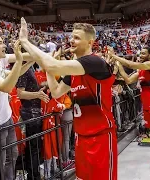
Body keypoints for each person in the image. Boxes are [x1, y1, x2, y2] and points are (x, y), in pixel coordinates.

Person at [19, 18, 118, 180]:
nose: (72, 40)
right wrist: (49, 69)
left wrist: (25, 41)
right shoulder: (75, 70)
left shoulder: (94, 61)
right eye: (71, 37)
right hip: (81, 136)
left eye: (77, 37)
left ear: (90, 42)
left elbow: (52, 65)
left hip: (100, 135)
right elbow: (57, 92)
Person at [109, 47, 150, 180]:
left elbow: (131, 64)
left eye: (144, 53)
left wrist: (115, 57)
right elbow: (128, 80)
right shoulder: (141, 70)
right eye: (140, 53)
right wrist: (119, 66)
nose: (141, 54)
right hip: (147, 105)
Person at [0, 32, 34, 180]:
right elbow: (6, 87)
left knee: (12, 155)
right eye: (0, 43)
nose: (4, 45)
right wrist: (20, 60)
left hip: (6, 118)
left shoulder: (1, 60)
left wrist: (33, 58)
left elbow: (18, 71)